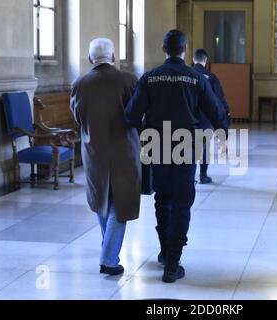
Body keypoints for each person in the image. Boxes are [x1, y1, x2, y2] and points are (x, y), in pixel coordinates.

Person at [125, 30, 227, 283]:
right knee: (182, 201)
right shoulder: (196, 77)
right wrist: (222, 134)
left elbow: (131, 116)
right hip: (186, 145)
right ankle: (173, 262)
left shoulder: (149, 77)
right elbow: (215, 110)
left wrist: (143, 132)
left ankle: (164, 250)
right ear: (184, 49)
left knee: (163, 198)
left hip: (157, 143)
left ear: (163, 48)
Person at [70, 38, 141, 276]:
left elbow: (78, 118)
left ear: (90, 59)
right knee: (119, 205)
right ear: (113, 57)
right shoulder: (129, 80)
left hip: (94, 152)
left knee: (101, 200)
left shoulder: (79, 84)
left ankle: (107, 250)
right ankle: (109, 259)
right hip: (124, 150)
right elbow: (138, 114)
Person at [192, 49, 231, 184]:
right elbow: (219, 100)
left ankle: (189, 177)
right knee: (204, 146)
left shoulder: (186, 75)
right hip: (205, 118)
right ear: (206, 60)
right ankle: (203, 175)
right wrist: (226, 115)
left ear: (193, 59)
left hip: (188, 117)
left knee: (188, 146)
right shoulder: (211, 77)